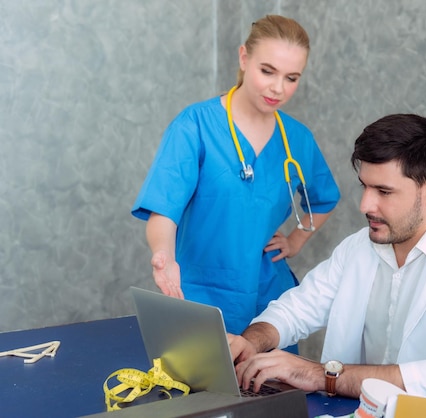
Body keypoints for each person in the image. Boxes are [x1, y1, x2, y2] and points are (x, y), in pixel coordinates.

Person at [228, 113, 426, 411]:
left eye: (383, 191)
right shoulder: (357, 248)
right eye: (364, 186)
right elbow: (296, 309)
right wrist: (252, 341)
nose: (365, 205)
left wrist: (322, 375)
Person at [131, 15, 340, 342]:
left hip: (269, 298)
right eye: (267, 71)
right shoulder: (195, 125)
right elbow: (164, 208)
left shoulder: (297, 139)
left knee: (271, 389)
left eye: (291, 78)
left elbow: (324, 197)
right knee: (207, 389)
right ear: (244, 58)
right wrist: (163, 255)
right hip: (201, 292)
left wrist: (296, 240)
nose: (278, 88)